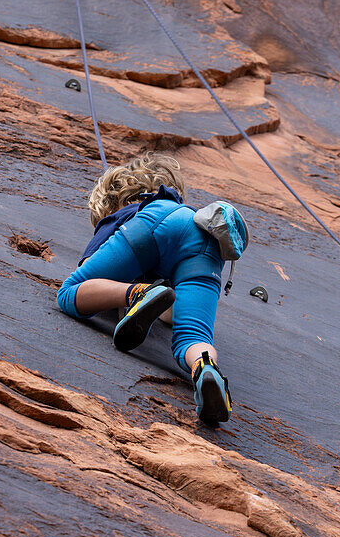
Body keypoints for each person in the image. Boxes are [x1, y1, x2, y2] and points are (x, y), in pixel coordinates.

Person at [57, 152, 232, 427]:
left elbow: (89, 271)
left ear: (114, 199)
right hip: (205, 236)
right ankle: (205, 367)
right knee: (192, 334)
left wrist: (123, 292)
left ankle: (138, 293)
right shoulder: (183, 211)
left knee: (69, 292)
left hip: (154, 223)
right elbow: (170, 315)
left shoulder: (128, 211)